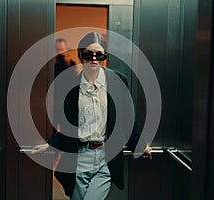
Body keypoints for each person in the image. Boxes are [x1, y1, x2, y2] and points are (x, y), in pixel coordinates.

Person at [32, 32, 151, 200]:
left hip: (106, 155)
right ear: (81, 55)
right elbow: (68, 129)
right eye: (89, 54)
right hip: (79, 157)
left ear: (105, 56)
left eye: (99, 54)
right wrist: (51, 145)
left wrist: (140, 144)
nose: (94, 59)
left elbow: (127, 119)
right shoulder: (70, 87)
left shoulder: (118, 81)